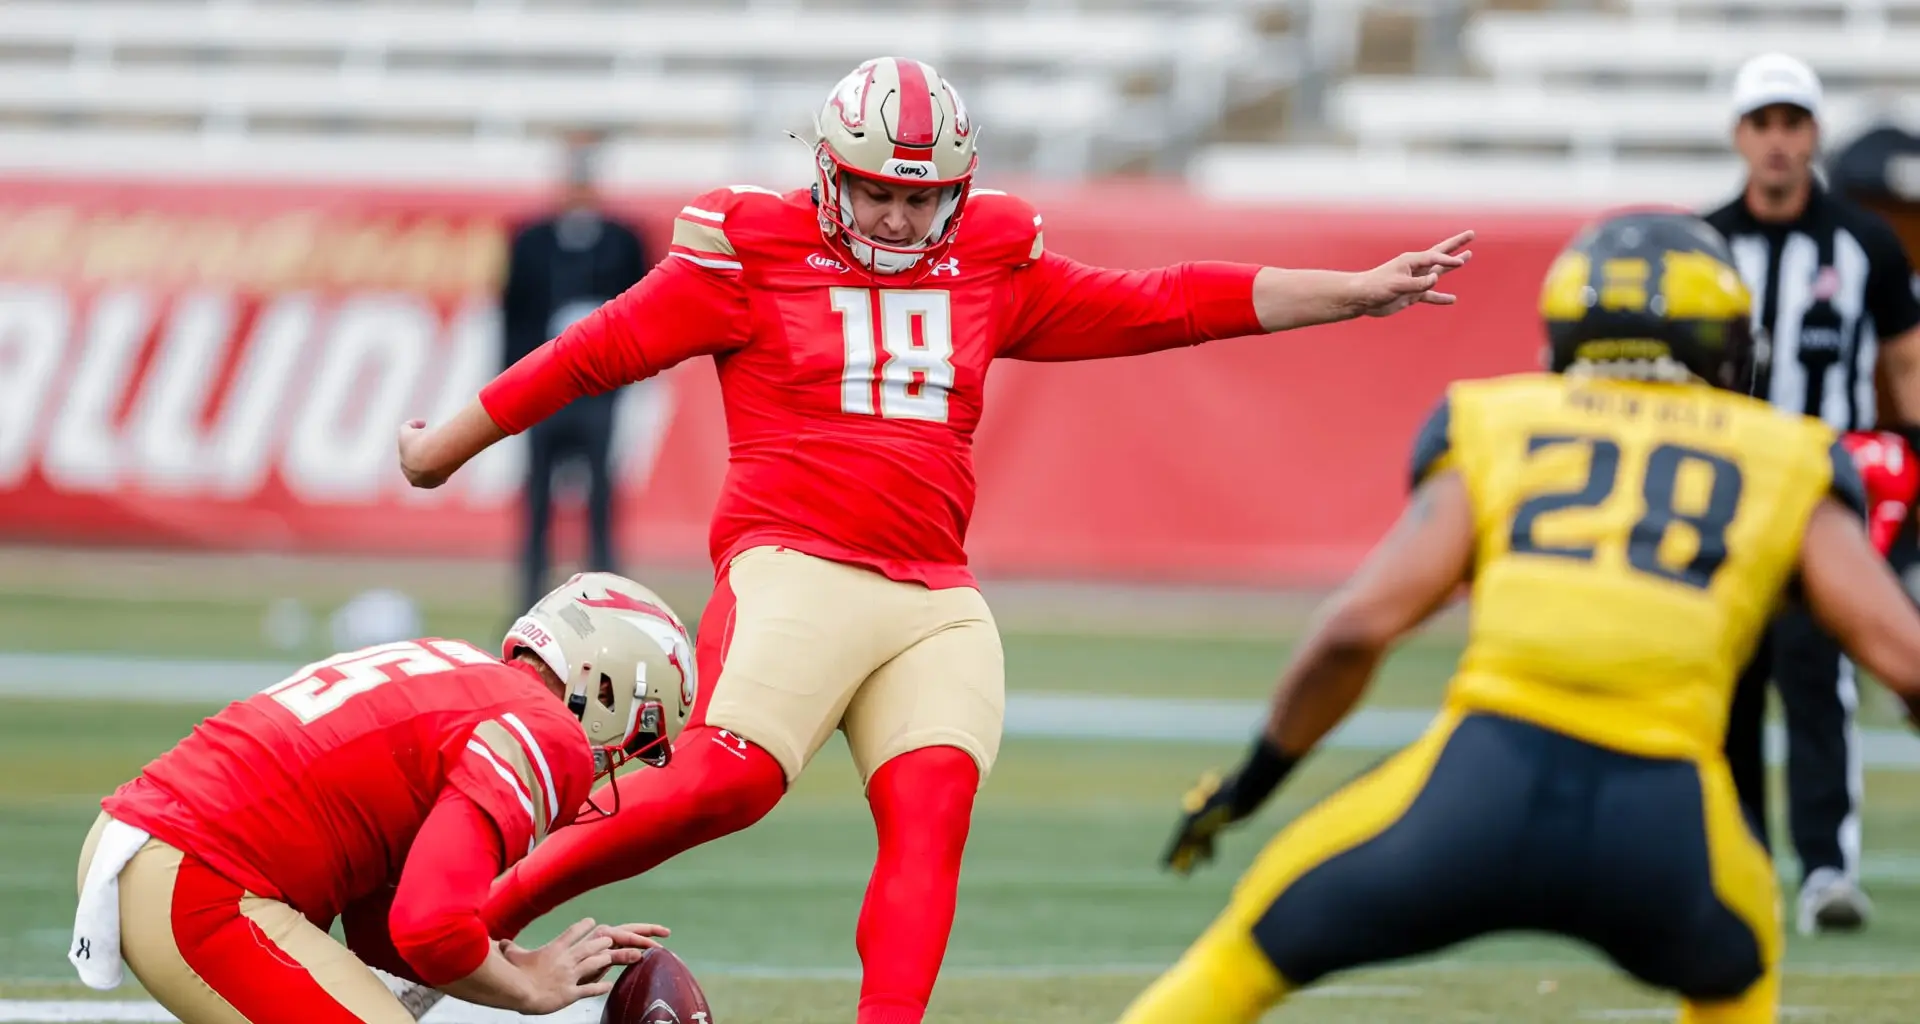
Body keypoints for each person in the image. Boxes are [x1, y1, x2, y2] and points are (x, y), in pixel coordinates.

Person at [397, 55, 1473, 1024]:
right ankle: (443, 932)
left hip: (934, 593)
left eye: (924, 197)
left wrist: (1355, 293)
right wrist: (444, 445)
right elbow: (592, 352)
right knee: (720, 786)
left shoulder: (990, 261)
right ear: (830, 173)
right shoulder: (749, 250)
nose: (905, 220)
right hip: (797, 561)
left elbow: (1165, 303)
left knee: (931, 817)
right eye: (880, 192)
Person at [1125, 209, 1920, 1024]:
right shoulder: (1786, 453)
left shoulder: (1498, 421)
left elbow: (1356, 629)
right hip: (1668, 822)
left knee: (1243, 954)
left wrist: (1250, 786)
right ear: (1726, 340)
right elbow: (1907, 661)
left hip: (1479, 788)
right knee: (1738, 971)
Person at [70, 572, 695, 1024]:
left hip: (162, 847)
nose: (618, 760)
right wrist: (527, 988)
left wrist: (506, 962)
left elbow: (384, 933)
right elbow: (428, 927)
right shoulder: (547, 728)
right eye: (637, 734)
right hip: (203, 877)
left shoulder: (458, 665)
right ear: (605, 687)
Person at [1704, 52, 1920, 934]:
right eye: (1763, 124)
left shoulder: (1863, 240)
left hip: (1822, 493)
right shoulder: (1706, 240)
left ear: (1814, 134)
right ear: (1740, 135)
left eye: (1793, 124)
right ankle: (1741, 858)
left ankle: (1827, 866)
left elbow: (1904, 363)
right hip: (1725, 490)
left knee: (1818, 676)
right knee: (1727, 678)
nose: (1778, 141)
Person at [502, 129, 652, 611]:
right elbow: (513, 315)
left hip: (599, 392)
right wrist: (517, 384)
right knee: (538, 505)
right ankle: (529, 604)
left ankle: (607, 600)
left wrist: (624, 380)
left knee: (602, 504)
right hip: (543, 391)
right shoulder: (530, 241)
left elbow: (643, 311)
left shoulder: (624, 241)